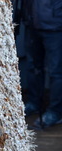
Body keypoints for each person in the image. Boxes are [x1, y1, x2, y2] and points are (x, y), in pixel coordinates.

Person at [19, 0, 62, 128]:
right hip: (31, 21)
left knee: (56, 71)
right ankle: (34, 103)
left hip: (55, 25)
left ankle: (56, 112)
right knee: (33, 67)